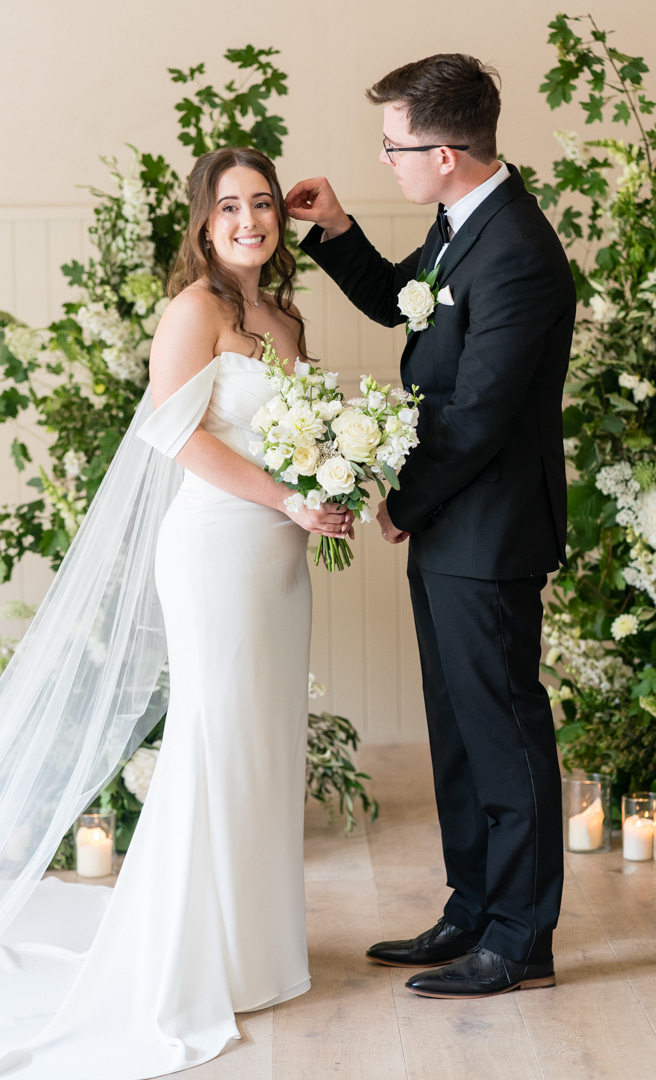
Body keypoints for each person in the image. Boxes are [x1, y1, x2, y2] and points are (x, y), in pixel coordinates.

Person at [0, 146, 351, 1078]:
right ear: (202, 222)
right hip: (217, 551)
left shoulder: (282, 314)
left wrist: (340, 485)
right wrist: (282, 499)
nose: (250, 221)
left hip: (280, 557)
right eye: (230, 206)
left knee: (267, 742)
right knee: (216, 739)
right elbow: (172, 432)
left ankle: (256, 957)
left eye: (265, 204)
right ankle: (191, 960)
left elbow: (302, 438)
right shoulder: (194, 309)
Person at [286, 53, 575, 999]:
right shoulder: (463, 224)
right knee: (455, 726)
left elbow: (484, 410)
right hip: (455, 520)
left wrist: (400, 499)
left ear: (447, 153)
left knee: (503, 728)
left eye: (395, 147)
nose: (388, 161)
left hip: (489, 534)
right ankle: (473, 907)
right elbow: (402, 304)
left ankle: (522, 936)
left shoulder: (520, 252)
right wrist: (334, 230)